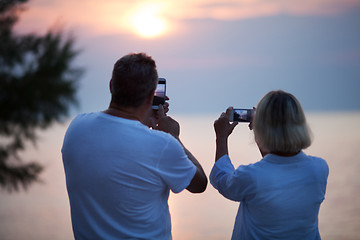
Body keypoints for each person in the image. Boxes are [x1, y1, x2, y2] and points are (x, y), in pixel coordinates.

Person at [62, 53, 207, 239]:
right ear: (150, 96)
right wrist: (173, 136)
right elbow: (199, 183)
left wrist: (141, 124)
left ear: (111, 86)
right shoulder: (163, 144)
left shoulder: (76, 128)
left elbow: (120, 139)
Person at [210, 90, 329, 239]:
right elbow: (277, 166)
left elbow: (221, 179)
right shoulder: (319, 169)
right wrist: (262, 134)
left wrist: (221, 137)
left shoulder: (251, 176)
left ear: (263, 126)